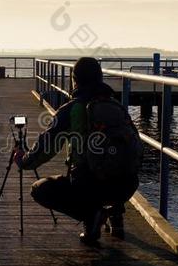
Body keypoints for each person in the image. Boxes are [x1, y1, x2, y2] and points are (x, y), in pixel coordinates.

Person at [13, 57, 139, 244]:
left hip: (89, 187)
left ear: (75, 80)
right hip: (127, 185)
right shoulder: (117, 107)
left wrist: (24, 161)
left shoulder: (72, 109)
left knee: (39, 189)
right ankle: (115, 215)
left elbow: (46, 148)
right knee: (110, 159)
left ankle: (92, 216)